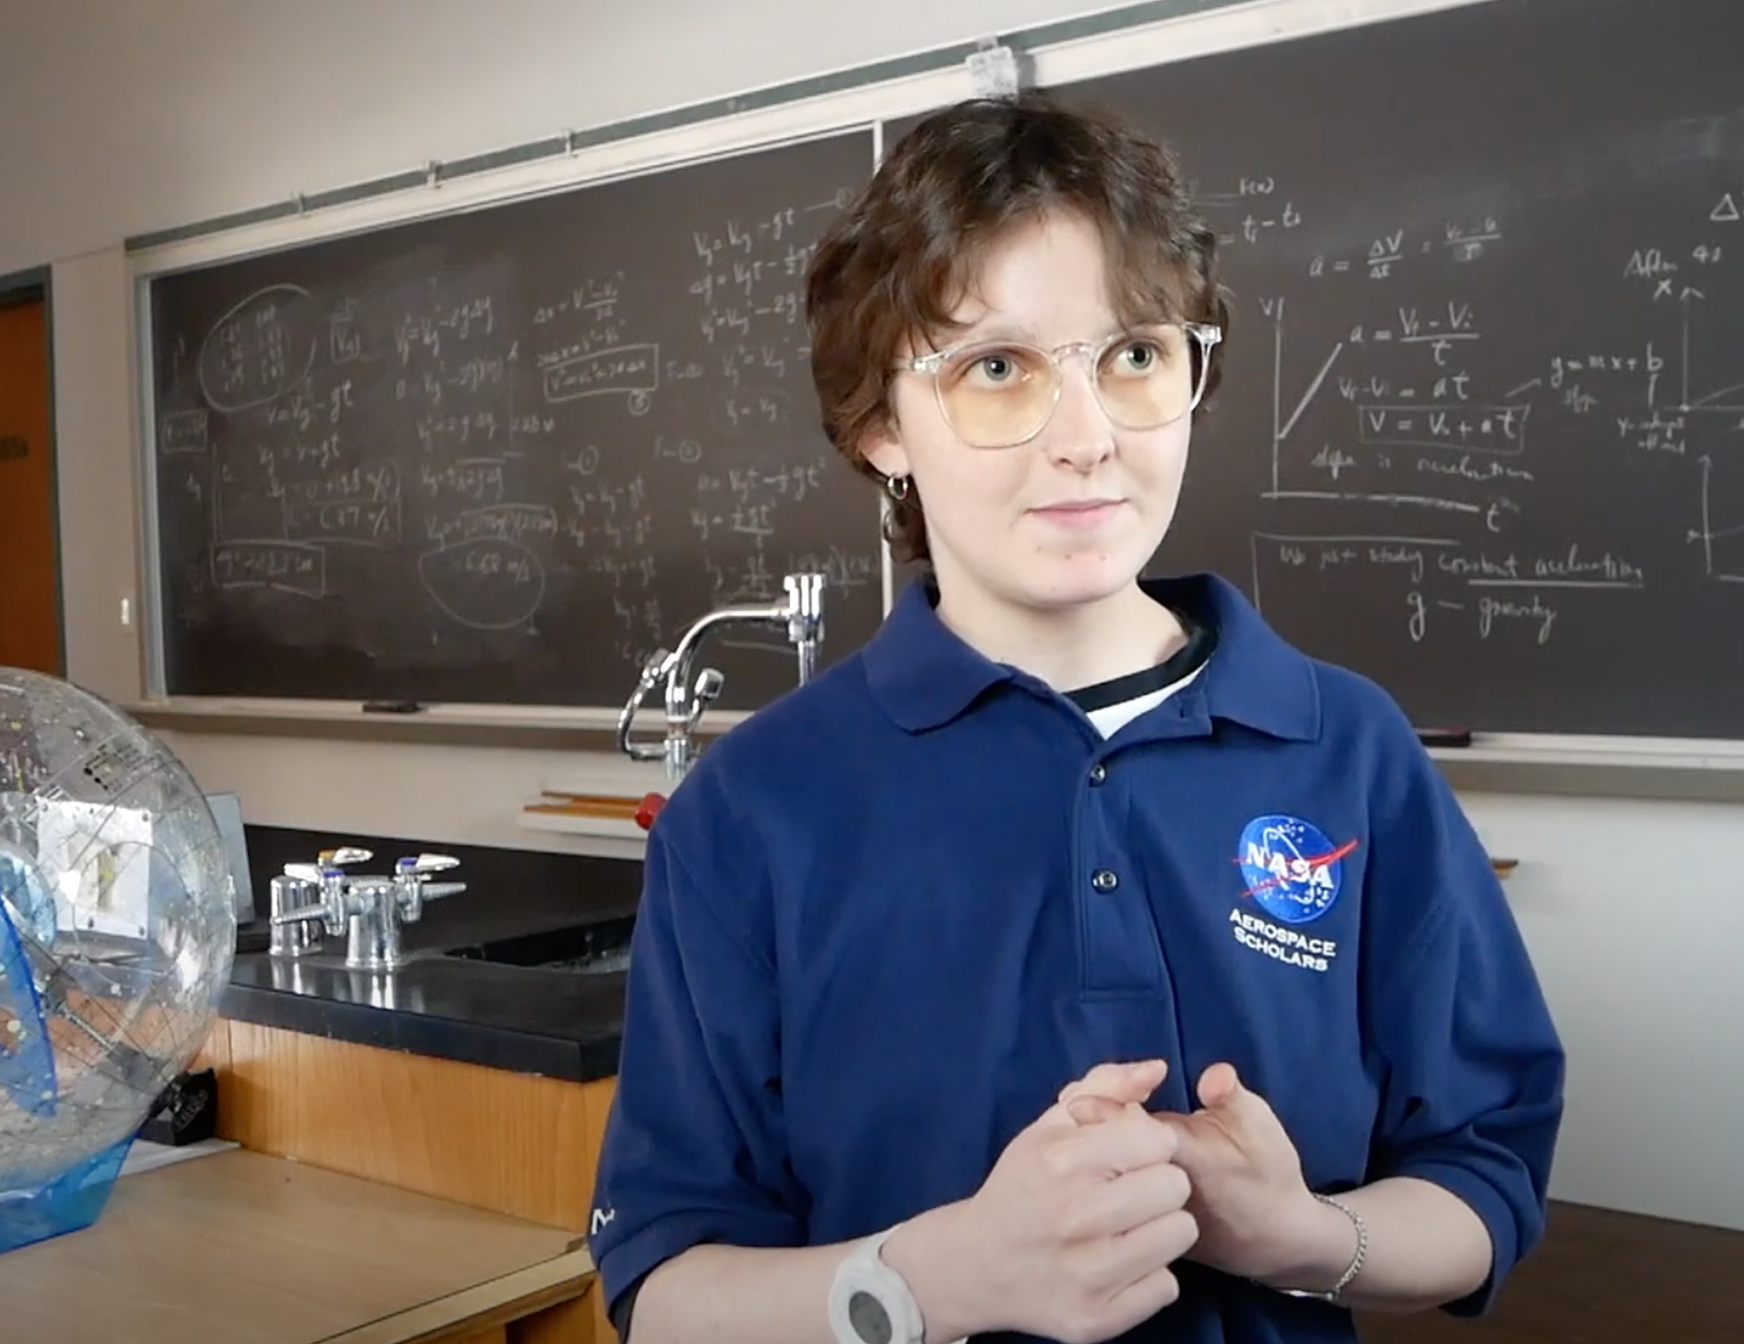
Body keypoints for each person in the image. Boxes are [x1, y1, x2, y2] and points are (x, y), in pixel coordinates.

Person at [585, 88, 1565, 1344]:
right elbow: (661, 1290)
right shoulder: (753, 811)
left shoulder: (1347, 751)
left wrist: (1305, 1239)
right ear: (880, 423)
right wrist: (938, 1279)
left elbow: (1485, 1180)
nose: (1089, 438)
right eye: (997, 370)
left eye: (1136, 356)